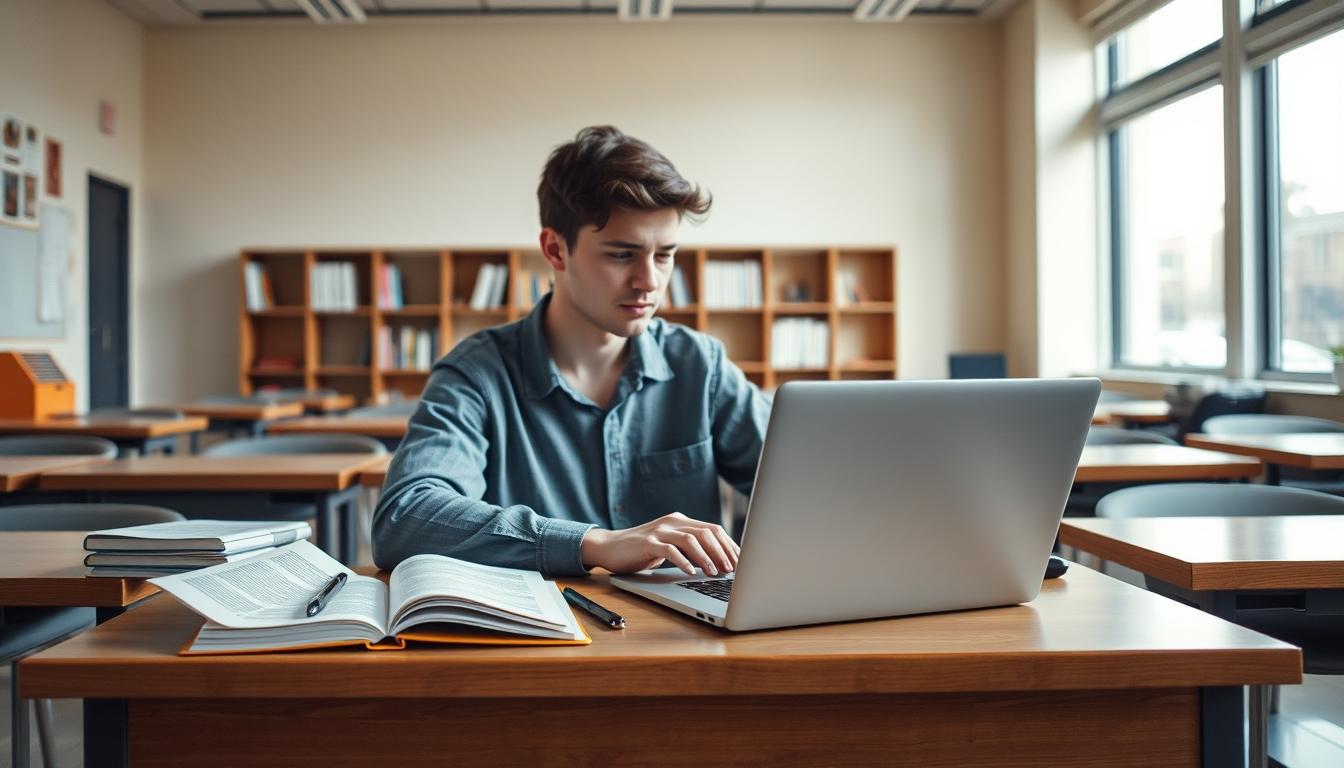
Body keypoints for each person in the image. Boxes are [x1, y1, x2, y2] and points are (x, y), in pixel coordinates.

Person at [372, 125, 771, 578]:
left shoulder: (701, 365)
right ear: (555, 249)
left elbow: (801, 484)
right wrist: (593, 543)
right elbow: (404, 518)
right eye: (622, 255)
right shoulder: (478, 374)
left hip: (686, 621)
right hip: (540, 621)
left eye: (664, 255)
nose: (649, 281)